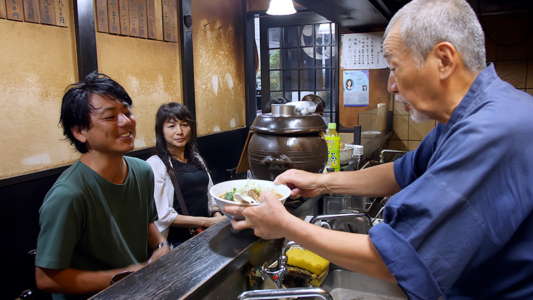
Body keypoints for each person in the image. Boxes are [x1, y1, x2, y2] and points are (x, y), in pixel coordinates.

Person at [224, 0, 533, 298]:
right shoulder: (473, 115)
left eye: (395, 67)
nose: (391, 85)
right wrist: (320, 182)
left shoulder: (490, 133)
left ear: (444, 60)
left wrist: (285, 225)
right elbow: (404, 170)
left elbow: (397, 258)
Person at [35, 72, 171, 300]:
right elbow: (46, 279)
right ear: (79, 131)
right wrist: (133, 274)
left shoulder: (142, 171)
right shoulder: (68, 194)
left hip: (140, 292)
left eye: (127, 113)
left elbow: (145, 221)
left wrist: (162, 245)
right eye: (110, 117)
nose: (125, 122)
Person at [147, 102, 225, 247]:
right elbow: (163, 216)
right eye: (171, 126)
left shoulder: (196, 158)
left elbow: (210, 195)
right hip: (179, 241)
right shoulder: (155, 164)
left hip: (206, 233)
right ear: (161, 131)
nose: (179, 131)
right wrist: (207, 222)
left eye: (184, 124)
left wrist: (216, 215)